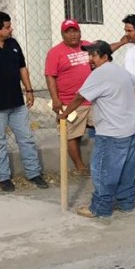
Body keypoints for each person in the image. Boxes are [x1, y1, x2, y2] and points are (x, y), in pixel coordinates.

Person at [57, 41, 135, 218]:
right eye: (89, 55)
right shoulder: (118, 70)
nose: (90, 59)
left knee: (103, 170)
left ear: (104, 56)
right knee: (127, 169)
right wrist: (126, 104)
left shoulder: (100, 73)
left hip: (112, 132)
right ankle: (126, 203)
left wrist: (64, 114)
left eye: (93, 55)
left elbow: (80, 97)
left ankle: (100, 208)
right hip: (130, 128)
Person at [0, 11, 49, 192]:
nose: (11, 30)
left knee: (26, 138)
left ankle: (34, 173)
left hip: (16, 103)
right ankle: (3, 177)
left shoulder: (12, 44)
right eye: (7, 27)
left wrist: (29, 90)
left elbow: (22, 68)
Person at [45, 19, 93, 176]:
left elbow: (106, 50)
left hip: (92, 100)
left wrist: (121, 43)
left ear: (80, 32)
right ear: (62, 34)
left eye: (75, 30)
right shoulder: (55, 52)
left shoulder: (87, 45)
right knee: (71, 134)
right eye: (68, 31)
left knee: (105, 128)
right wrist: (56, 99)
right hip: (70, 102)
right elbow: (50, 76)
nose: (73, 34)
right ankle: (80, 166)